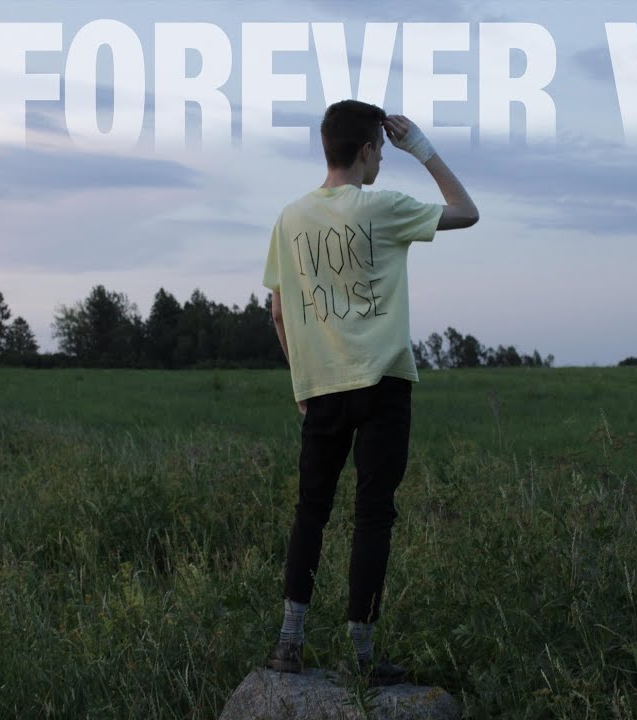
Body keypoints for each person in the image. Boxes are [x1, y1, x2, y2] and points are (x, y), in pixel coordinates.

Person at [260, 99, 479, 686]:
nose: (382, 160)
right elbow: (466, 211)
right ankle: (360, 655)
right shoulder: (384, 207)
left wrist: (302, 382)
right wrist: (422, 148)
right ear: (365, 151)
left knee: (311, 511)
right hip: (384, 383)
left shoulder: (289, 219)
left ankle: (288, 643)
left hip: (322, 387)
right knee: (373, 515)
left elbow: (279, 312)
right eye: (381, 151)